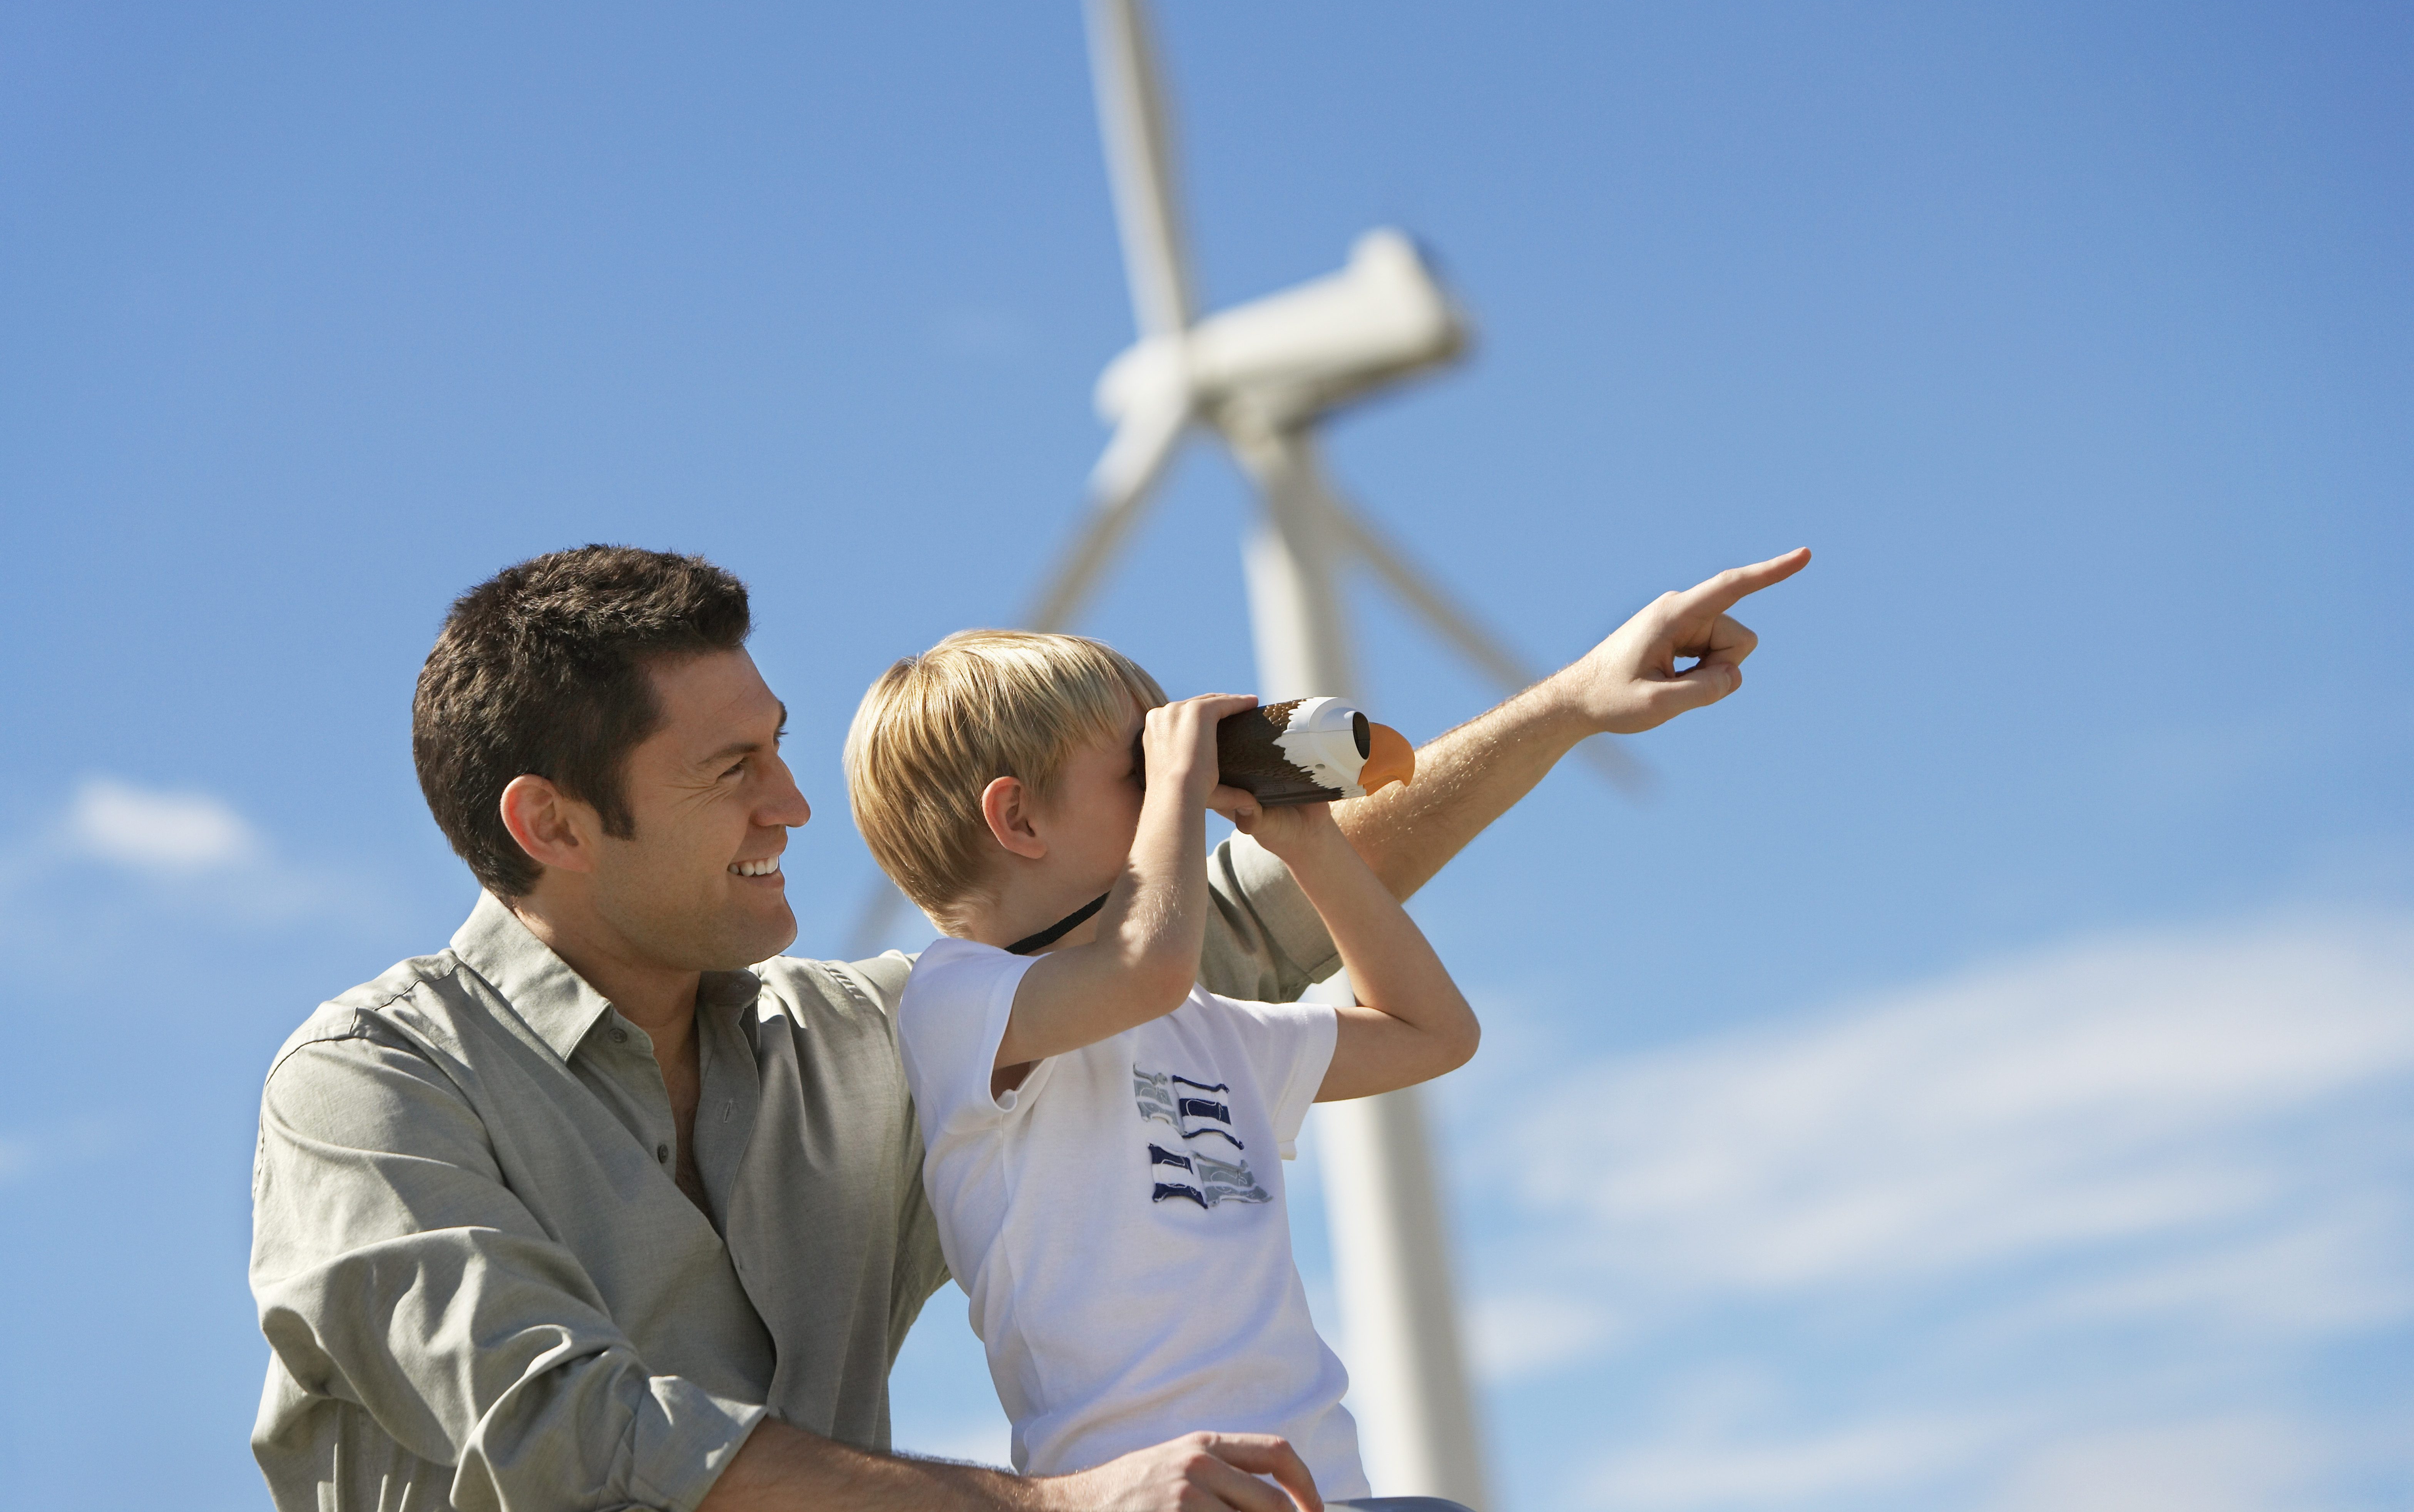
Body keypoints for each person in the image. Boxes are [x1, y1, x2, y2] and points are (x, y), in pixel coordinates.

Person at [248, 541, 1807, 1512]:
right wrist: (1055, 1509)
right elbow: (561, 1426)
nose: (796, 806)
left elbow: (1235, 926)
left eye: (784, 751)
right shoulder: (373, 1082)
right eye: (732, 772)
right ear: (553, 822)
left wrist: (1561, 708)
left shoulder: (847, 1044)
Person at [846, 632, 1481, 1503]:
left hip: (1324, 1491)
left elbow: (1431, 1032)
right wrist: (1180, 783)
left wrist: (1309, 844)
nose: (1169, 790)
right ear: (1019, 820)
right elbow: (1143, 967)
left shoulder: (1199, 1026)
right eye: (1137, 769)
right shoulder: (957, 1001)